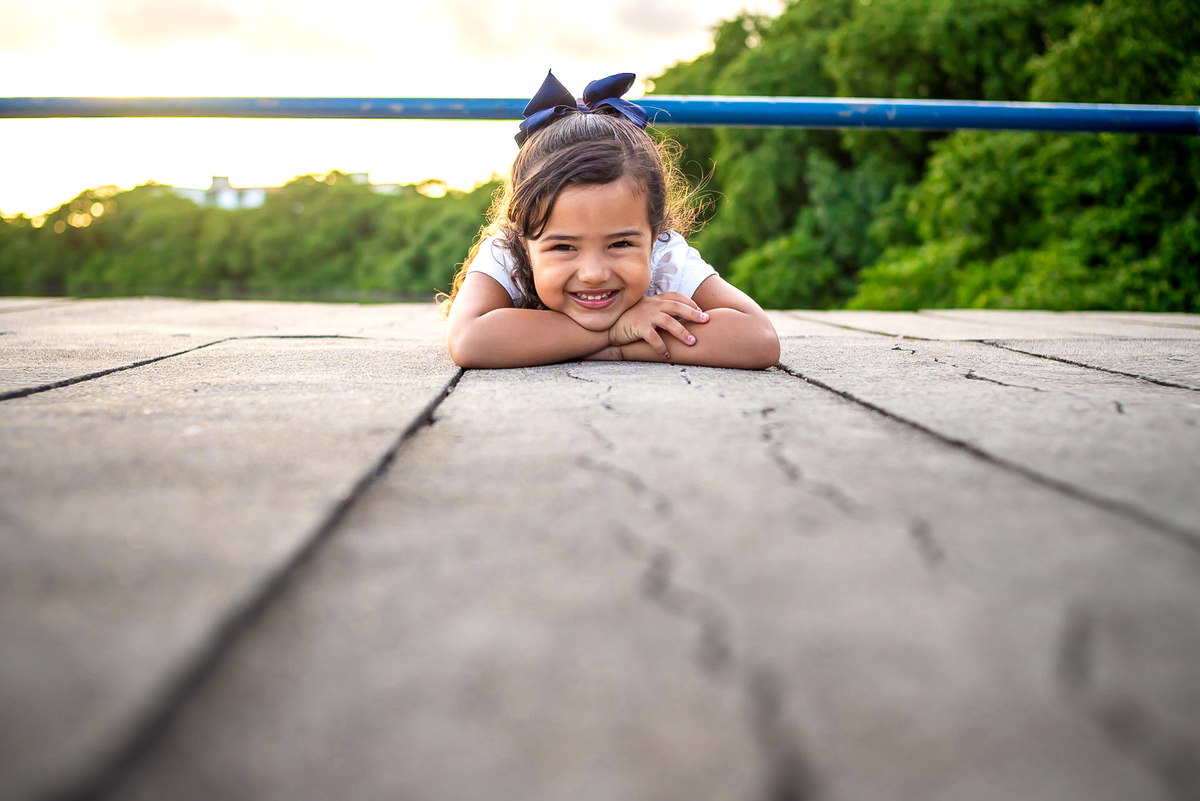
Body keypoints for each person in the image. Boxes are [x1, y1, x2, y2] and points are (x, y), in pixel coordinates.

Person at [440, 71, 780, 370]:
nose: (594, 274)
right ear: (524, 239)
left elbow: (758, 338)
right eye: (563, 246)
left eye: (620, 244)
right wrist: (615, 331)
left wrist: (619, 350)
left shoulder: (664, 254)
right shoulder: (506, 251)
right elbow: (471, 340)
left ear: (655, 233)